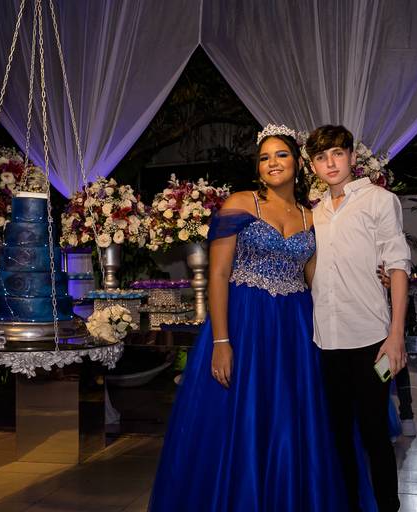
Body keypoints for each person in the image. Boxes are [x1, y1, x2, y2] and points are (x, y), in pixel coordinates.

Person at [148, 125, 355, 511]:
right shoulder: (241, 204)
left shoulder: (312, 217)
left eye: (281, 155)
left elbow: (317, 279)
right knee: (240, 417)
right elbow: (218, 274)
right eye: (264, 157)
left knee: (291, 418)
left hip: (295, 326)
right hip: (245, 322)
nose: (272, 163)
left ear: (298, 163)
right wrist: (221, 341)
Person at [307, 124, 411, 512]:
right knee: (338, 437)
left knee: (374, 434)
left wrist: (396, 334)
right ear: (313, 166)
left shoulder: (379, 201)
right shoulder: (313, 213)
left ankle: (387, 507)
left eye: (337, 153)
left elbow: (398, 266)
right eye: (321, 157)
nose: (331, 163)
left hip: (372, 341)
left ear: (352, 156)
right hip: (326, 342)